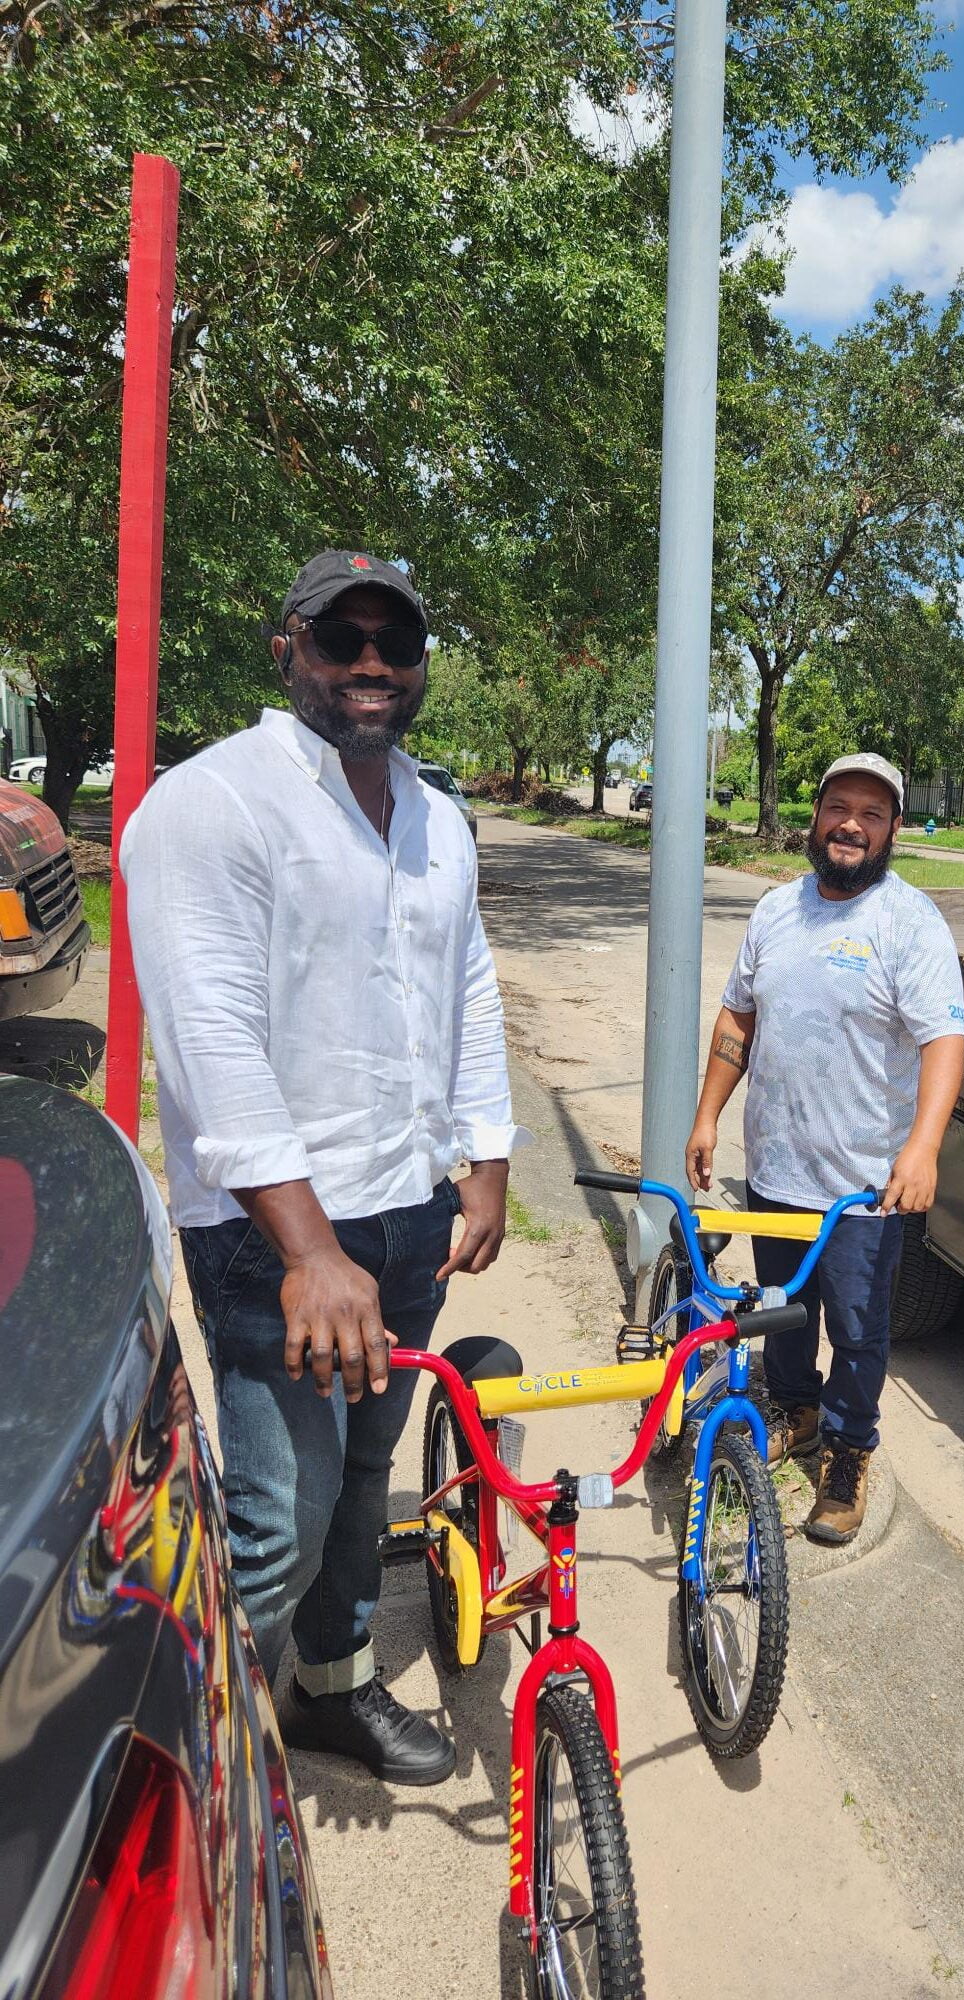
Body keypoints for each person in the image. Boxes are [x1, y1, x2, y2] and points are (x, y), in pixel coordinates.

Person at [122, 549, 521, 1785]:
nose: (367, 663)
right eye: (338, 636)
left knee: (361, 1480)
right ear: (284, 643)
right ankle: (168, 1756)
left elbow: (466, 983)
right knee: (277, 1523)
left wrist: (489, 1153)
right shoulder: (214, 802)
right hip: (276, 1239)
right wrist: (308, 1250)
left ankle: (330, 1687)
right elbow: (207, 1039)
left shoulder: (434, 812)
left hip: (407, 1211)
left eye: (392, 642)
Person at [686, 752, 964, 1544]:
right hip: (777, 1166)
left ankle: (848, 1451)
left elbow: (945, 1038)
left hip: (861, 1185)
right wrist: (707, 1115)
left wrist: (923, 1148)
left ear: (894, 830)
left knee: (855, 1328)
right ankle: (797, 1414)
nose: (852, 824)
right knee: (784, 1315)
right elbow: (738, 1017)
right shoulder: (776, 910)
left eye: (872, 813)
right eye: (839, 806)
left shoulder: (909, 922)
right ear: (815, 817)